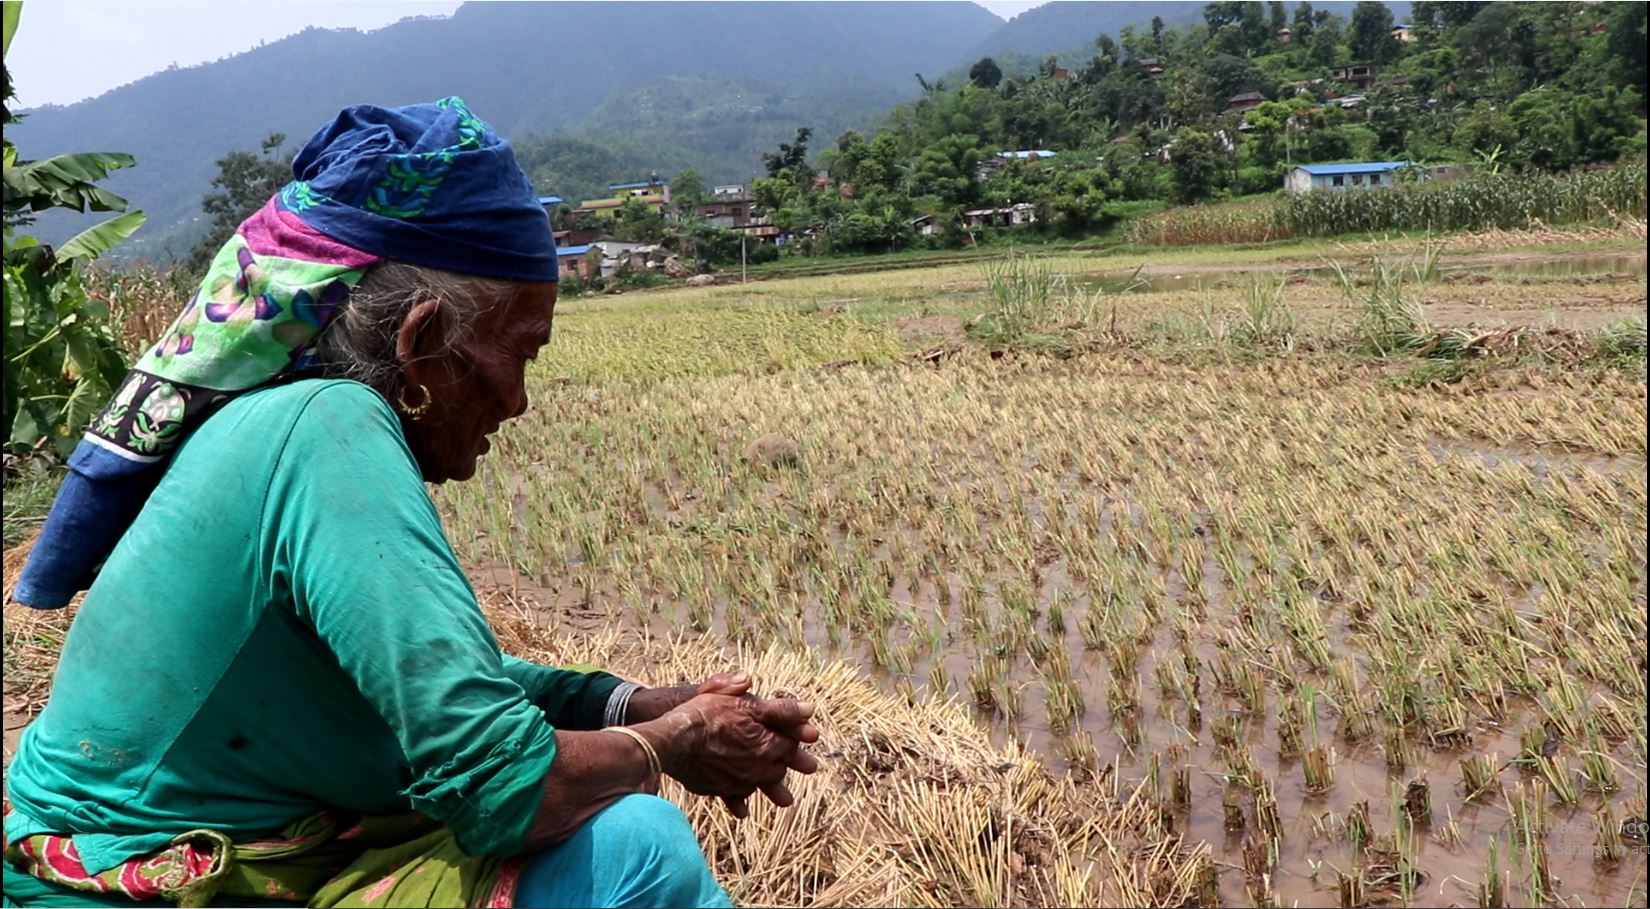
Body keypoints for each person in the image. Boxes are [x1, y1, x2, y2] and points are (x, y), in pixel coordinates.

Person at [2, 97, 818, 909]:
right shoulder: (329, 427)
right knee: (638, 849)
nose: (519, 400)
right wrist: (671, 742)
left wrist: (628, 702)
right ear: (422, 343)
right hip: (138, 880)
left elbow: (436, 683)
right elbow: (511, 792)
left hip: (204, 856)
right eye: (521, 351)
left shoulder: (277, 421)